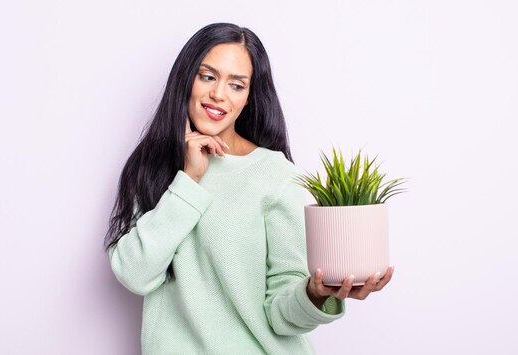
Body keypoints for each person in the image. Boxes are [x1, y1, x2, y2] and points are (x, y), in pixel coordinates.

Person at [105, 22, 393, 354]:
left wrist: (317, 293)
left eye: (237, 85)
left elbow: (281, 314)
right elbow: (134, 274)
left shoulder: (273, 174)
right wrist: (188, 179)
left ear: (248, 98)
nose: (218, 94)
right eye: (208, 76)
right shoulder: (151, 165)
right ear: (186, 80)